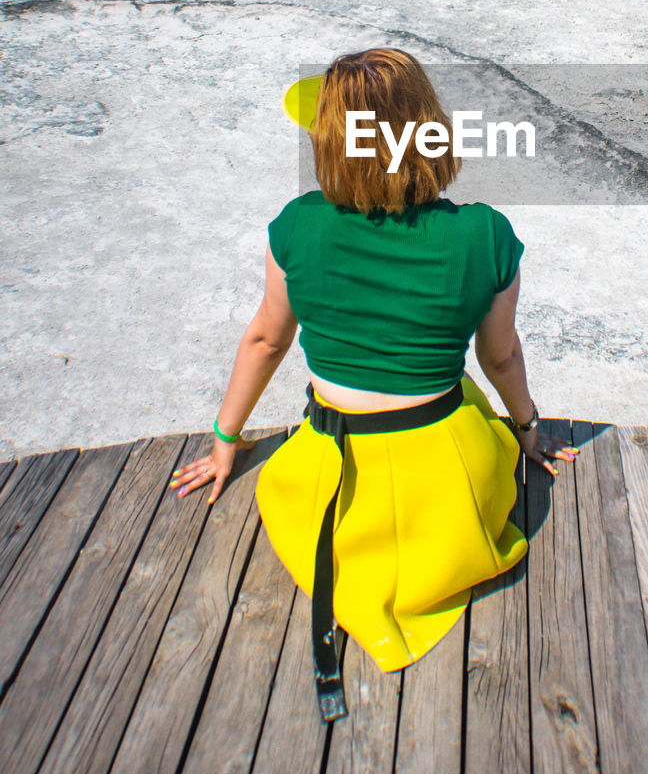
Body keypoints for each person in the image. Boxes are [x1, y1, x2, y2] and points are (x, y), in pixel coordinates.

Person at [168, 47, 577, 721]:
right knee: (468, 400)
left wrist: (224, 441)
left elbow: (267, 339)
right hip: (447, 472)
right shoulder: (484, 234)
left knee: (299, 487)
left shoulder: (297, 225)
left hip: (334, 470)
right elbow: (499, 358)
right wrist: (528, 429)